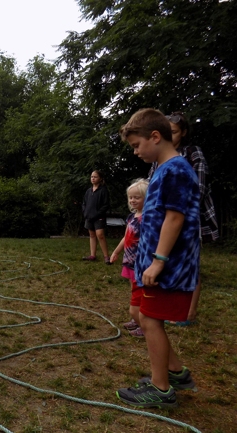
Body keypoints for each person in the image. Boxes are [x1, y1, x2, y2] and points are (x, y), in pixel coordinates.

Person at [116, 108, 199, 408]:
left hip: (167, 266)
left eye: (137, 145)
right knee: (147, 316)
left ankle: (160, 388)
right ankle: (174, 372)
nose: (136, 152)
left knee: (149, 319)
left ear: (155, 136)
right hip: (156, 263)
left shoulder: (175, 169)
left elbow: (175, 219)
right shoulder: (163, 169)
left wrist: (159, 260)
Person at [148, 111, 219, 325]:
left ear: (184, 132)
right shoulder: (159, 158)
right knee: (169, 259)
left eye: (175, 132)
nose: (171, 135)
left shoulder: (191, 154)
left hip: (187, 219)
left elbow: (198, 188)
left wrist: (174, 208)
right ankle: (170, 308)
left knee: (189, 261)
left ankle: (188, 313)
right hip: (164, 219)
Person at [110, 178, 149, 338]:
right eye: (130, 197)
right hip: (129, 261)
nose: (132, 200)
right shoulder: (131, 217)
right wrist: (116, 252)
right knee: (133, 289)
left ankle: (143, 324)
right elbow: (126, 237)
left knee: (140, 292)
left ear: (147, 198)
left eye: (137, 197)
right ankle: (137, 318)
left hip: (140, 263)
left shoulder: (148, 219)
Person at [82, 170, 112, 264]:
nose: (93, 178)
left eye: (95, 177)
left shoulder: (103, 190)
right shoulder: (88, 191)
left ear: (100, 178)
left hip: (99, 217)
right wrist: (85, 213)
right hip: (89, 217)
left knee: (100, 235)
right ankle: (92, 255)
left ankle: (106, 256)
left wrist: (97, 214)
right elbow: (84, 203)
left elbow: (106, 205)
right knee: (92, 235)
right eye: (91, 177)